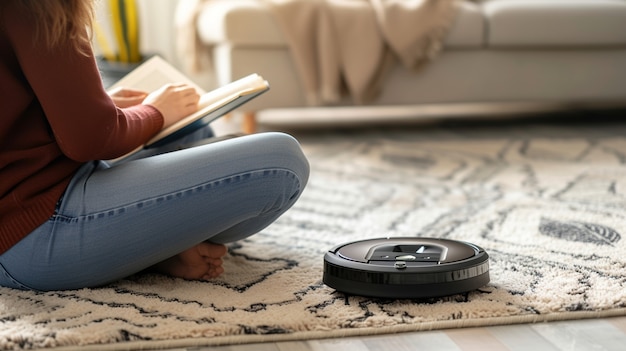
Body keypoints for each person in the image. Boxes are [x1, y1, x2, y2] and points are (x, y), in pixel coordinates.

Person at [0, 0, 309, 291]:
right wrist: (155, 112)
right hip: (33, 233)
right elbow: (91, 140)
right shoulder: (39, 6)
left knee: (190, 132)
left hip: (42, 197)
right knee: (284, 163)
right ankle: (158, 247)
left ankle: (153, 248)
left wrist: (103, 108)